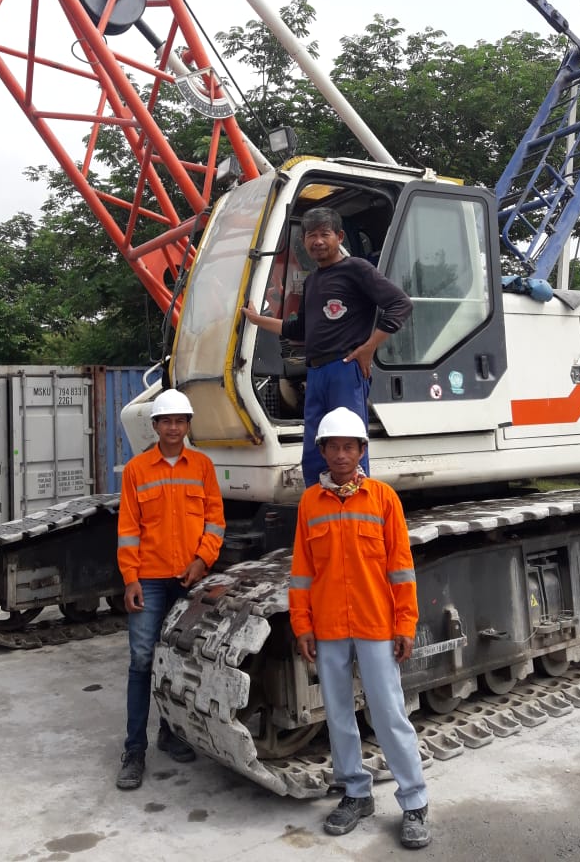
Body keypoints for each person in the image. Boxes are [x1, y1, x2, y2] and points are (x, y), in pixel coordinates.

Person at [289, 407, 430, 849]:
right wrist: (302, 624)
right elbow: (301, 571)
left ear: (361, 451)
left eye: (349, 447)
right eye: (333, 447)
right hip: (329, 626)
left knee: (388, 713)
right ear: (323, 451)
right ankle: (355, 792)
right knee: (338, 715)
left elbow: (401, 568)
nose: (341, 454)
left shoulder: (383, 499)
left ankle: (414, 802)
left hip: (375, 624)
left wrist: (405, 623)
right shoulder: (310, 504)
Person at [242, 206, 412, 486]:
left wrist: (369, 347)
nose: (317, 241)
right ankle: (317, 502)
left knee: (348, 444)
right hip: (316, 373)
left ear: (339, 237)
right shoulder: (312, 281)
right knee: (315, 447)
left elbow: (400, 304)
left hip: (345, 369)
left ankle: (356, 504)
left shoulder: (357, 269)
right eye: (311, 235)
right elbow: (299, 329)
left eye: (324, 234)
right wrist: (257, 320)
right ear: (304, 241)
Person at [115, 388, 225, 791]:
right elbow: (128, 529)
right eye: (166, 421)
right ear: (156, 425)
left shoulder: (203, 467)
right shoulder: (137, 470)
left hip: (188, 578)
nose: (173, 428)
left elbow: (215, 520)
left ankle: (170, 731)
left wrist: (202, 560)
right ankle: (134, 750)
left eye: (180, 421)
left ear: (188, 425)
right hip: (148, 578)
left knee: (176, 659)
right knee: (142, 660)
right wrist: (130, 578)